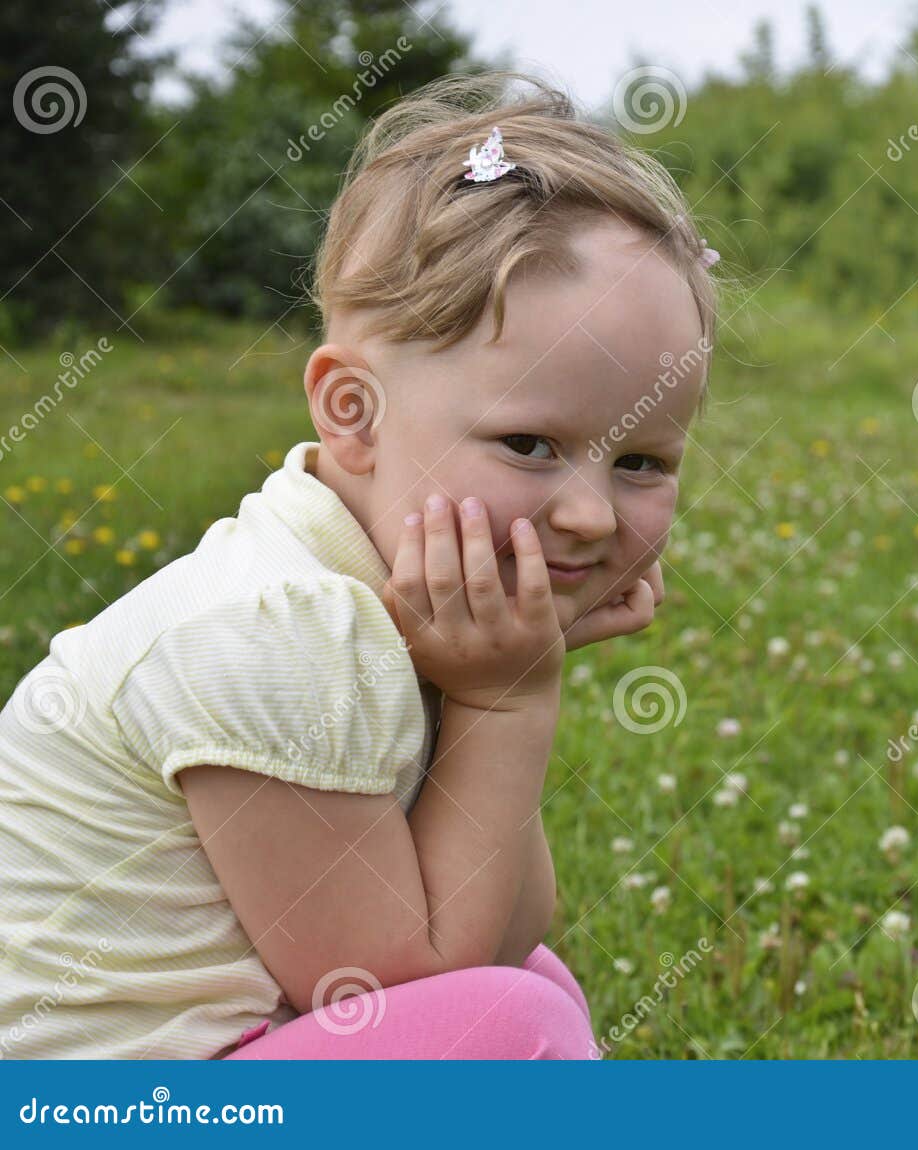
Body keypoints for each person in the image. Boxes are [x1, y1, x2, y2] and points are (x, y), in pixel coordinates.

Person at [0, 73, 718, 1059]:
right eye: (528, 444)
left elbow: (508, 929)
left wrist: (491, 692)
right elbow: (411, 992)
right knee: (514, 1022)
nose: (591, 514)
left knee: (534, 985)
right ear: (353, 413)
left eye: (641, 462)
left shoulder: (377, 599)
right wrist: (507, 707)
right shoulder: (278, 628)